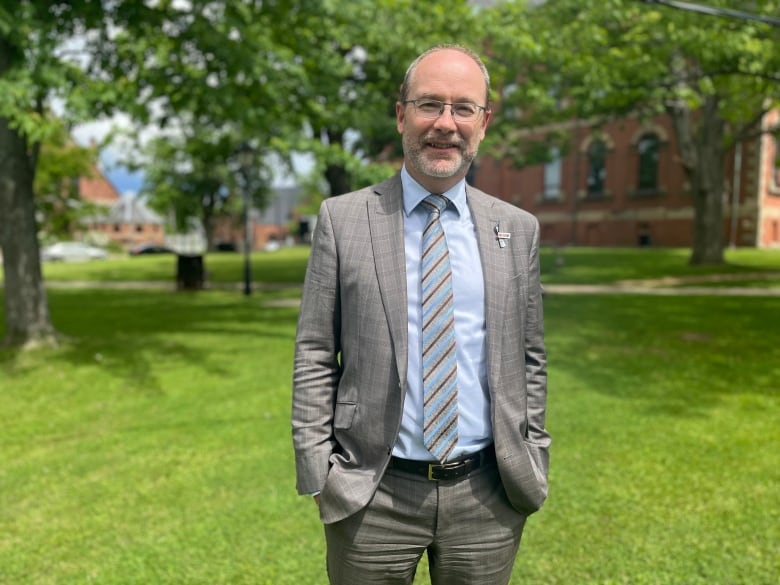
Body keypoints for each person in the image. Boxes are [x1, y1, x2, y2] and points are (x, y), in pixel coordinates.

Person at [292, 44, 550, 585]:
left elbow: (529, 356)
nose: (445, 124)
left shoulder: (515, 228)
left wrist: (535, 451)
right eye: (430, 104)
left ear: (484, 122)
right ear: (401, 113)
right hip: (372, 494)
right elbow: (316, 352)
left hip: (488, 495)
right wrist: (319, 469)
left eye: (463, 108)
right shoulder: (344, 219)